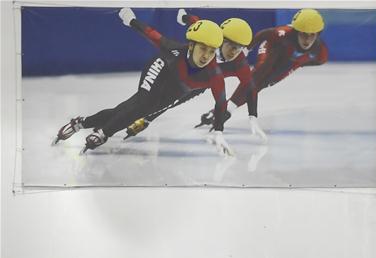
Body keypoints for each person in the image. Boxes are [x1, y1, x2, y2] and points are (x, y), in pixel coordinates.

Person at [52, 14, 232, 155]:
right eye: (202, 49)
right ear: (191, 46)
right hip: (161, 67)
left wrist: (218, 132)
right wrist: (131, 20)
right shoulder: (175, 50)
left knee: (127, 110)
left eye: (211, 51)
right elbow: (152, 35)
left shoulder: (213, 75)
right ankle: (104, 133)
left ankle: (81, 123)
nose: (206, 56)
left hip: (176, 86)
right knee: (141, 105)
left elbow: (221, 102)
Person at [124, 9, 264, 142]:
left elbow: (250, 87)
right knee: (154, 98)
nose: (234, 52)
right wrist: (131, 20)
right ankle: (130, 117)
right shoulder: (210, 39)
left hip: (199, 83)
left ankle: (145, 120)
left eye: (239, 48)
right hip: (179, 69)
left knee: (171, 102)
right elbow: (194, 23)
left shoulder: (239, 63)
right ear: (221, 39)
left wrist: (253, 117)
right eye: (231, 46)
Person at [194, 8, 329, 130]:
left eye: (312, 35)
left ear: (318, 34)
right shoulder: (282, 34)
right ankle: (225, 111)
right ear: (297, 32)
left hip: (289, 61)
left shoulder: (320, 52)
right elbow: (263, 34)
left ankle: (222, 111)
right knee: (258, 74)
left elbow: (318, 62)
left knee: (263, 84)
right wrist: (247, 49)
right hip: (272, 48)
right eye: (304, 34)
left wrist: (298, 64)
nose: (308, 39)